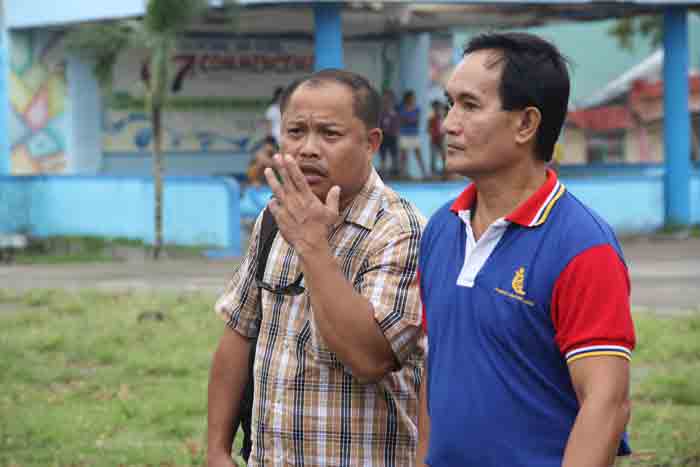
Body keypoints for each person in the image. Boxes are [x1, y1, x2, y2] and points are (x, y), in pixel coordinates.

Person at [416, 32, 636, 467]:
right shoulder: (441, 230)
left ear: (526, 124)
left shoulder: (581, 245)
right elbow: (435, 370)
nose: (449, 123)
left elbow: (606, 403)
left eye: (470, 105)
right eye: (449, 104)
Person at [209, 69, 426, 467]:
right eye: (295, 132)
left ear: (371, 142)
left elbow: (369, 358)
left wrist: (313, 245)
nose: (308, 149)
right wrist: (217, 450)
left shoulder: (399, 230)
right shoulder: (275, 217)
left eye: (329, 134)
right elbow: (239, 331)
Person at [398, 90, 428, 179]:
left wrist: (408, 119)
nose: (413, 99)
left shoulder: (417, 108)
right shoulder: (402, 108)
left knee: (418, 154)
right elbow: (402, 120)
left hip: (413, 133)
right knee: (404, 155)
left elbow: (416, 120)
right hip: (405, 133)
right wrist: (408, 119)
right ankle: (402, 173)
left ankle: (424, 173)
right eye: (412, 97)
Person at [378, 89, 401, 177]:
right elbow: (379, 122)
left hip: (392, 135)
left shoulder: (394, 112)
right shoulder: (381, 112)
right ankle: (383, 171)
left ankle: (394, 171)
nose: (387, 101)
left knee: (393, 154)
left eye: (388, 99)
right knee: (383, 155)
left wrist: (396, 132)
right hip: (383, 135)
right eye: (385, 99)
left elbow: (397, 123)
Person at [428, 100, 446, 178]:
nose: (437, 110)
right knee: (433, 158)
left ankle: (445, 174)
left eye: (438, 108)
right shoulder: (431, 119)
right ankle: (433, 175)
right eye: (435, 108)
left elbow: (445, 129)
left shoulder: (443, 118)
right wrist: (433, 133)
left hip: (441, 140)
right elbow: (428, 129)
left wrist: (442, 135)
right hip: (434, 140)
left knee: (444, 158)